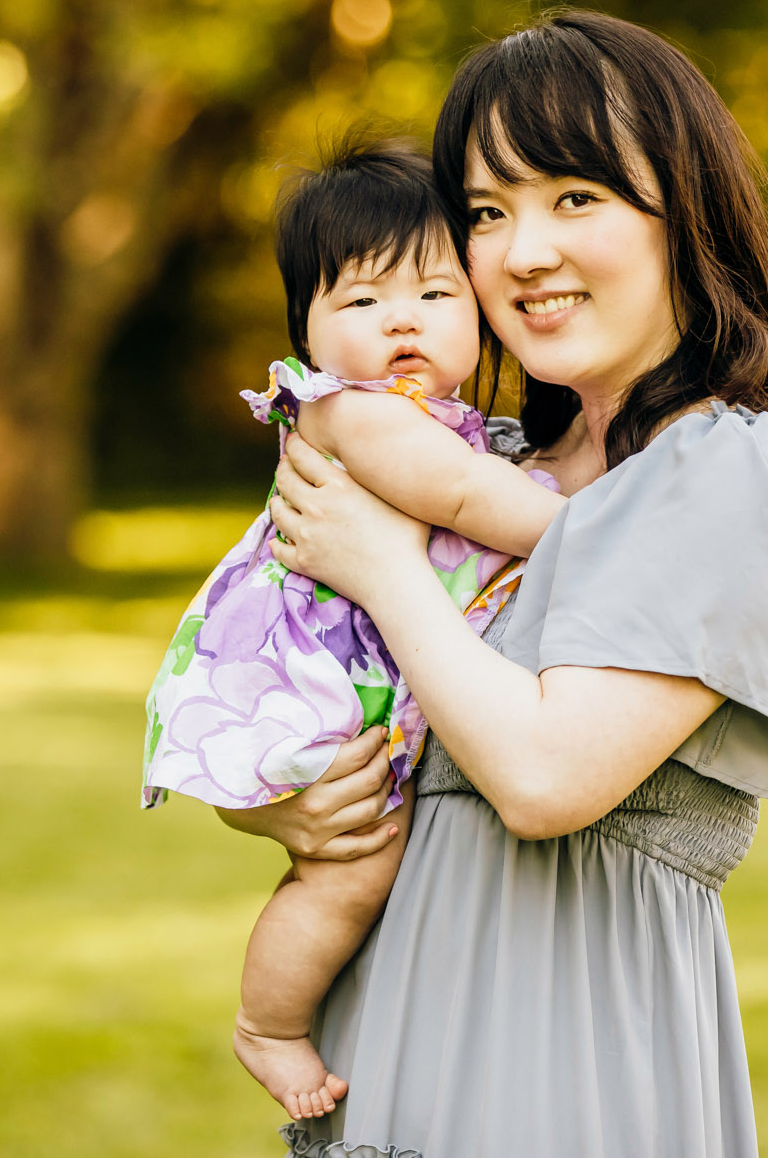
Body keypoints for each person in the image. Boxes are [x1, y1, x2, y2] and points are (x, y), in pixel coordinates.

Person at [226, 10, 768, 1157]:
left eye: (572, 196)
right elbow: (346, 704)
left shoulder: (726, 466)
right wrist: (279, 800)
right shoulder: (484, 475)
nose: (521, 251)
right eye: (485, 213)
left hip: (565, 1066)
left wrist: (384, 568)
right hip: (387, 1054)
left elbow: (542, 777)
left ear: (683, 214)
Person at [141, 134, 566, 1122]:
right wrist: (590, 524)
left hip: (375, 667)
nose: (400, 322)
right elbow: (461, 495)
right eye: (361, 301)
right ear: (307, 331)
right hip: (316, 676)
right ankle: (268, 1024)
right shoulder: (349, 413)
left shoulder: (451, 418)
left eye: (431, 294)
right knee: (352, 861)